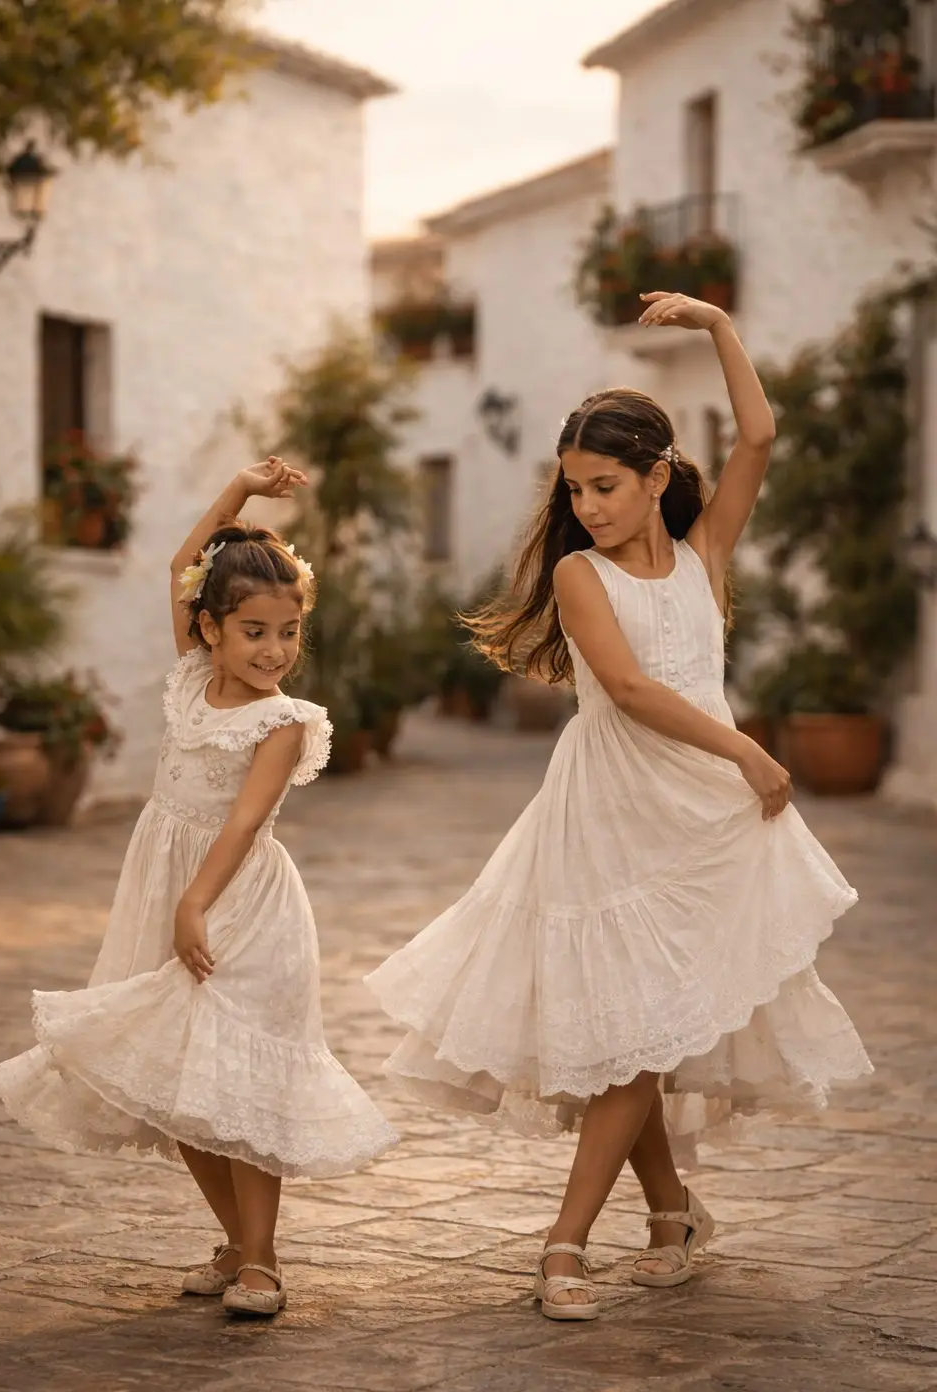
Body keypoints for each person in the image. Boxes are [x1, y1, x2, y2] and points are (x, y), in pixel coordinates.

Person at [364, 293, 871, 1321]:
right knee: (628, 1035)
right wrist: (748, 749)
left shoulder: (703, 559)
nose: (587, 504)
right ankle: (578, 1243)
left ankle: (656, 1219)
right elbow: (635, 693)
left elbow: (760, 433)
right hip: (608, 817)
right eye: (574, 488)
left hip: (705, 827)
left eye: (604, 485)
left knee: (643, 1032)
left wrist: (720, 328)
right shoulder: (578, 574)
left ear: (655, 478)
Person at [0, 460, 397, 1317]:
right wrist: (238, 492)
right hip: (166, 887)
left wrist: (195, 903)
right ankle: (239, 1243)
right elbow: (185, 562)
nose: (274, 651)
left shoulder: (283, 722)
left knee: (242, 1087)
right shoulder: (187, 678)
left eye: (288, 632)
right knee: (178, 1088)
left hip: (240, 902)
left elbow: (244, 823)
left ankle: (264, 1263)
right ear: (208, 629)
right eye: (254, 631)